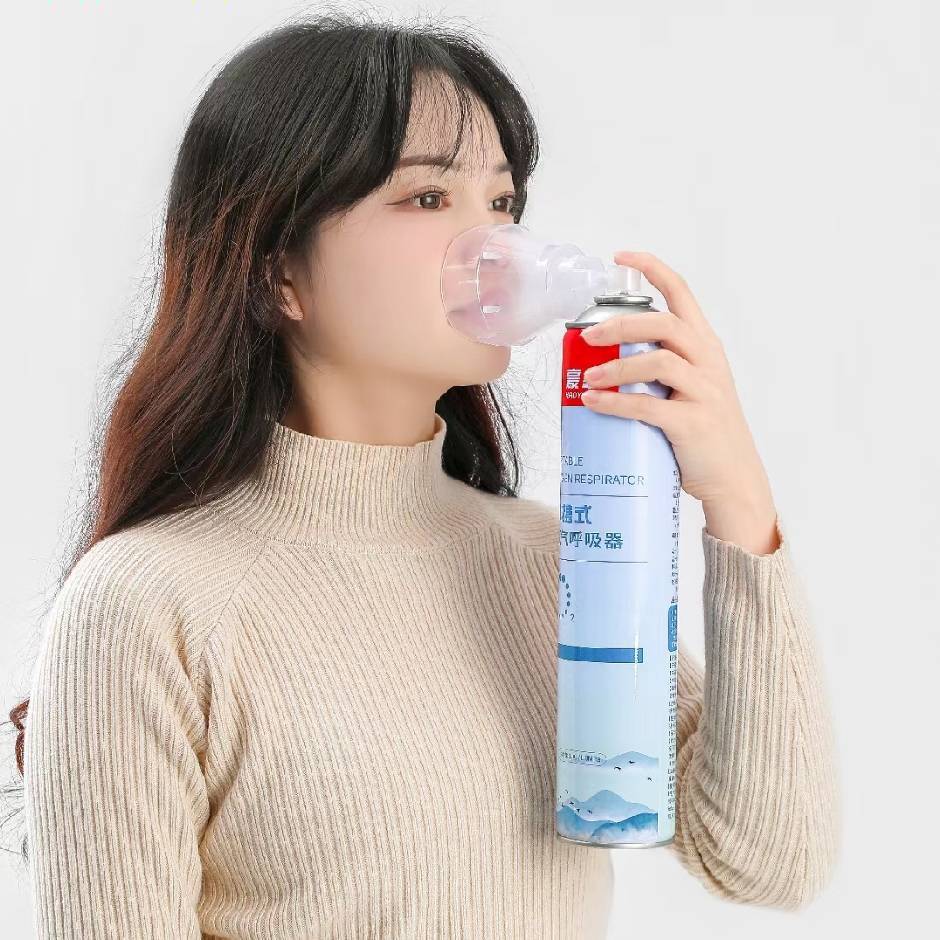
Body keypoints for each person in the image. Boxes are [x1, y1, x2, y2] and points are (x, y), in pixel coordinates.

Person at [11, 11, 840, 938]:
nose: (496, 246)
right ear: (279, 273)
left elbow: (767, 860)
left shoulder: (551, 563)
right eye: (429, 197)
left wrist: (738, 503)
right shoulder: (147, 605)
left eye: (503, 200)